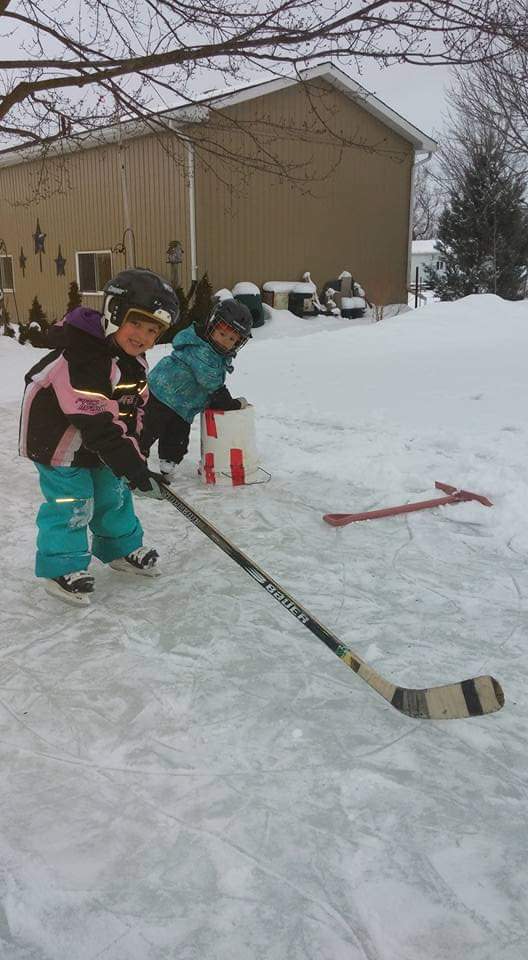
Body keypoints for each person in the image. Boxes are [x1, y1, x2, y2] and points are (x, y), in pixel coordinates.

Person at [19, 268, 180, 606]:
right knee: (73, 501)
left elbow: (134, 409)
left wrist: (134, 458)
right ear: (114, 314)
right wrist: (130, 465)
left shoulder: (133, 362)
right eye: (136, 324)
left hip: (97, 438)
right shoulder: (84, 354)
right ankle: (61, 565)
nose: (143, 336)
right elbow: (94, 420)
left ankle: (119, 547)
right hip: (58, 440)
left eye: (153, 330)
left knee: (114, 491)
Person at [141, 297, 252, 481]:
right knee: (148, 428)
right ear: (211, 326)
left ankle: (168, 463)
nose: (226, 341)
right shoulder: (202, 351)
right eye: (222, 334)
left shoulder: (216, 355)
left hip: (183, 405)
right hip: (161, 394)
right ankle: (135, 460)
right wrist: (230, 403)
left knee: (177, 435)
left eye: (232, 339)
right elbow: (211, 382)